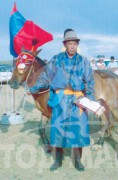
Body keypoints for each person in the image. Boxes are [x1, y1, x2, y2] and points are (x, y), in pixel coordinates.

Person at [30, 29, 95, 171]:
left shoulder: (83, 61)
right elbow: (46, 76)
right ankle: (57, 160)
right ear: (65, 45)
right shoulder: (57, 59)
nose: (72, 46)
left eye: (74, 43)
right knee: (58, 130)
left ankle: (77, 160)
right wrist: (35, 87)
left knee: (79, 130)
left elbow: (89, 80)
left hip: (78, 101)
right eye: (69, 43)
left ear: (77, 45)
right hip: (60, 101)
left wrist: (90, 99)